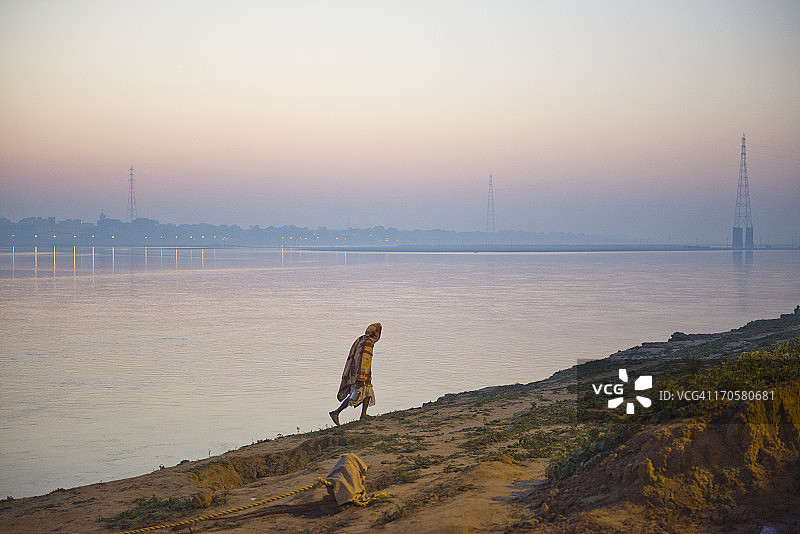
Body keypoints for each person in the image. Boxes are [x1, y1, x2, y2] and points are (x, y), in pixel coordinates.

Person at [329, 323, 382, 426]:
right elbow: (363, 360)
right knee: (355, 395)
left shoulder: (362, 340)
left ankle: (363, 415)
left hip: (361, 372)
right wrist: (361, 375)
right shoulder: (367, 342)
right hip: (360, 373)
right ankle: (336, 412)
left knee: (368, 392)